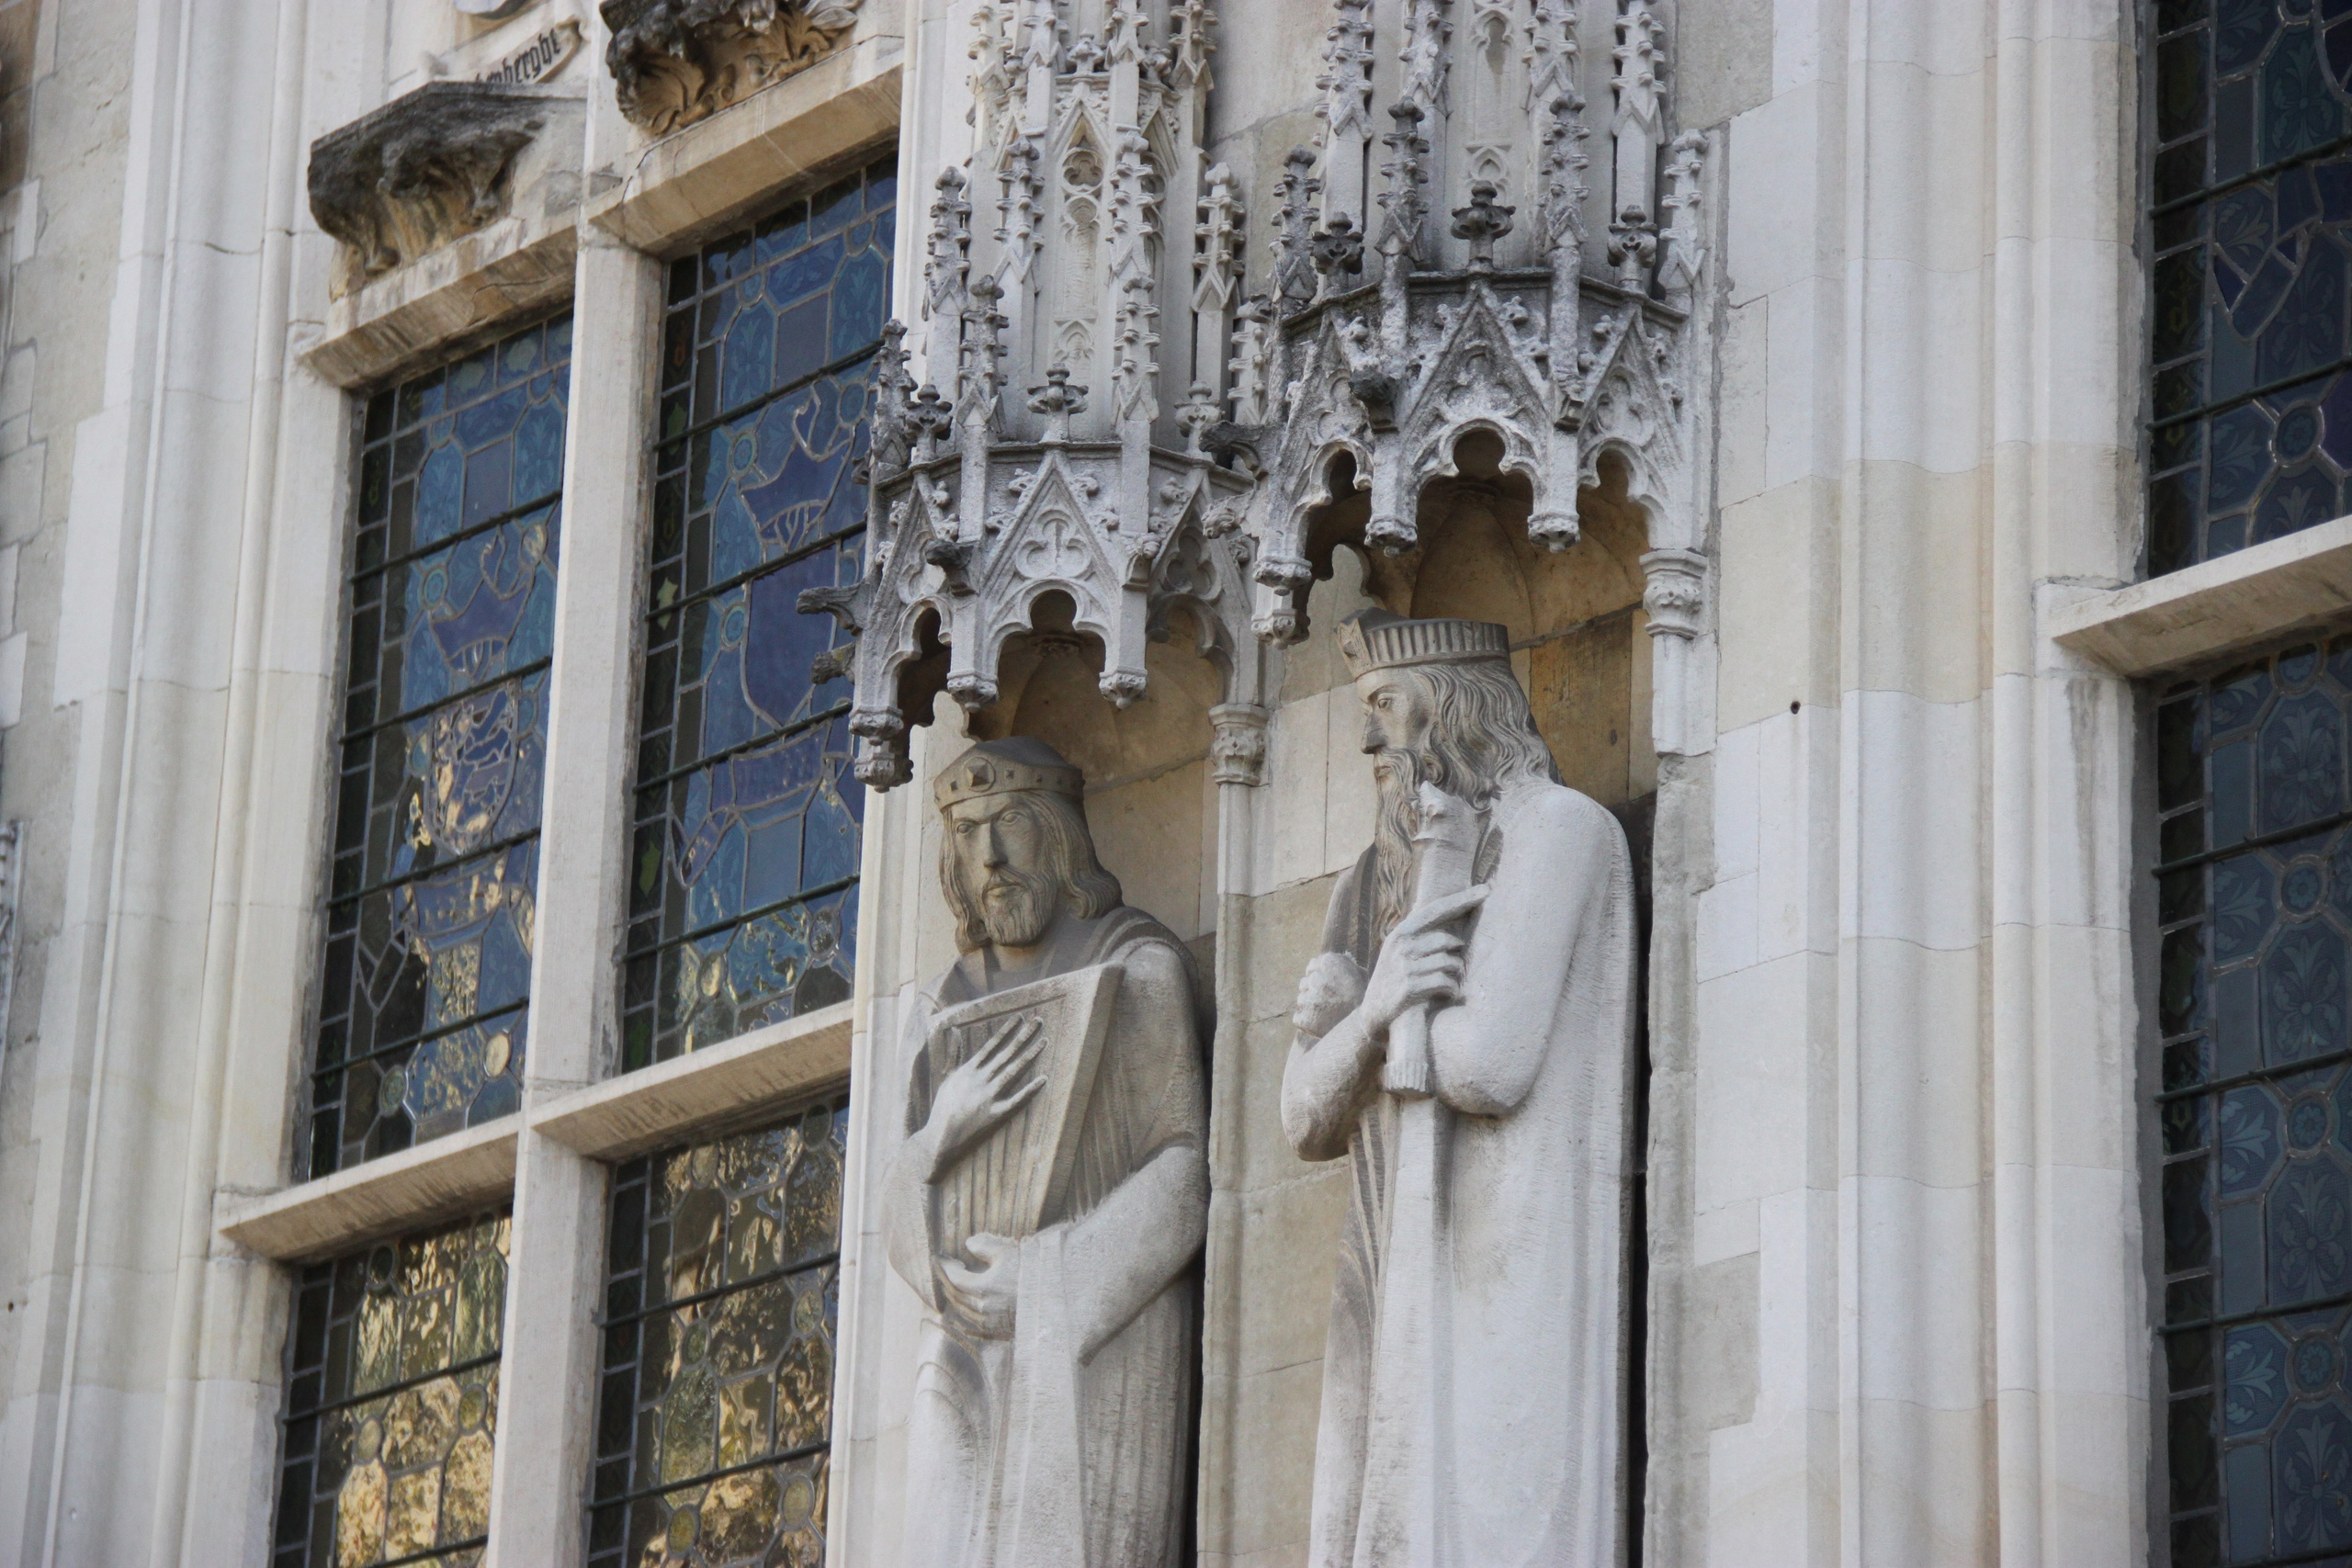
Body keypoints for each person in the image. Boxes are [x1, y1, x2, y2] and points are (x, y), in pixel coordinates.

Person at [1283, 609, 1638, 1568]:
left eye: (1387, 708)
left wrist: (1388, 1019)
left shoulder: (1555, 831)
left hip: (1504, 1255)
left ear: (1454, 715)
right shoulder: (1369, 885)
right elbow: (1302, 1115)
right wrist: (1368, 1016)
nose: (1367, 740)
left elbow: (1492, 1062)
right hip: (1387, 1264)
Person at [883, 737, 1207, 1568]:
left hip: (1092, 1336)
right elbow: (895, 1203)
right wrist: (938, 1137)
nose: (988, 857)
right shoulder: (936, 1011)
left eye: (1011, 825)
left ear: (1060, 834)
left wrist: (1047, 1276)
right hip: (959, 1341)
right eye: (965, 833)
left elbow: (1180, 1173)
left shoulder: (1138, 967)